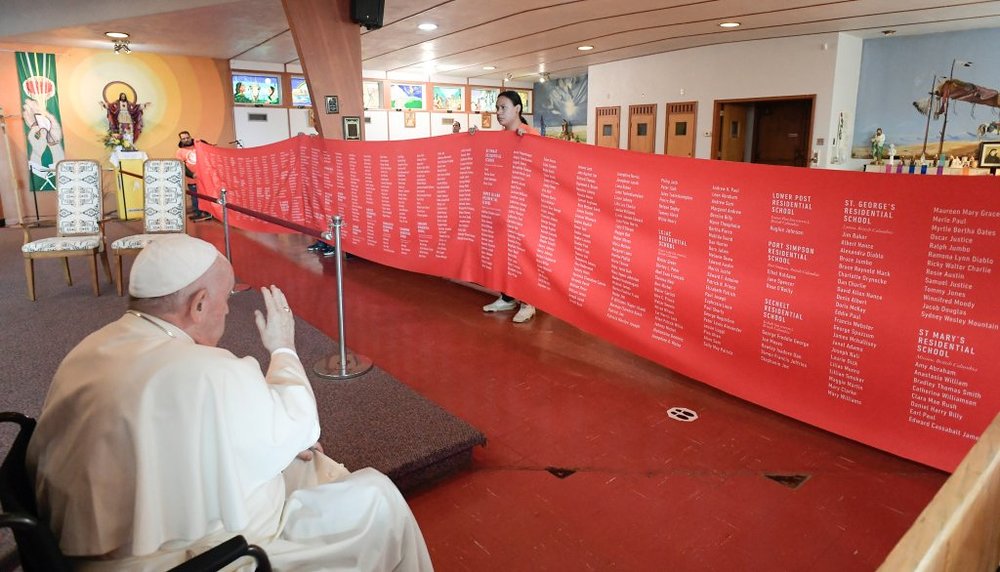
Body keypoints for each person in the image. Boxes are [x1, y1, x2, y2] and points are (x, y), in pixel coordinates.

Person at [26, 235, 432, 571]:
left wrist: (285, 443)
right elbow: (303, 424)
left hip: (80, 546)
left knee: (300, 461)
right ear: (198, 304)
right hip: (183, 559)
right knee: (378, 496)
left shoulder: (89, 347)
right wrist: (283, 349)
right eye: (226, 299)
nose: (225, 309)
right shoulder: (208, 369)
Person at [472, 90, 540, 323]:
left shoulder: (531, 135)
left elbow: (543, 167)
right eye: (497, 108)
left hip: (525, 208)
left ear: (518, 109)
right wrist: (473, 138)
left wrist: (529, 142)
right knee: (504, 254)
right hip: (502, 207)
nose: (499, 113)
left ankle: (529, 302)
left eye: (503, 108)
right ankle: (508, 296)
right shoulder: (500, 137)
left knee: (523, 255)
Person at [176, 131, 212, 221]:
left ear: (190, 137)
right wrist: (192, 175)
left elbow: (208, 148)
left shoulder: (198, 144)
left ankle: (208, 213)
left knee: (206, 196)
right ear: (181, 140)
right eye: (183, 138)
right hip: (193, 179)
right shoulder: (180, 152)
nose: (186, 140)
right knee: (195, 197)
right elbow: (181, 165)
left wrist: (201, 141)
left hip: (205, 178)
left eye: (187, 137)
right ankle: (198, 213)